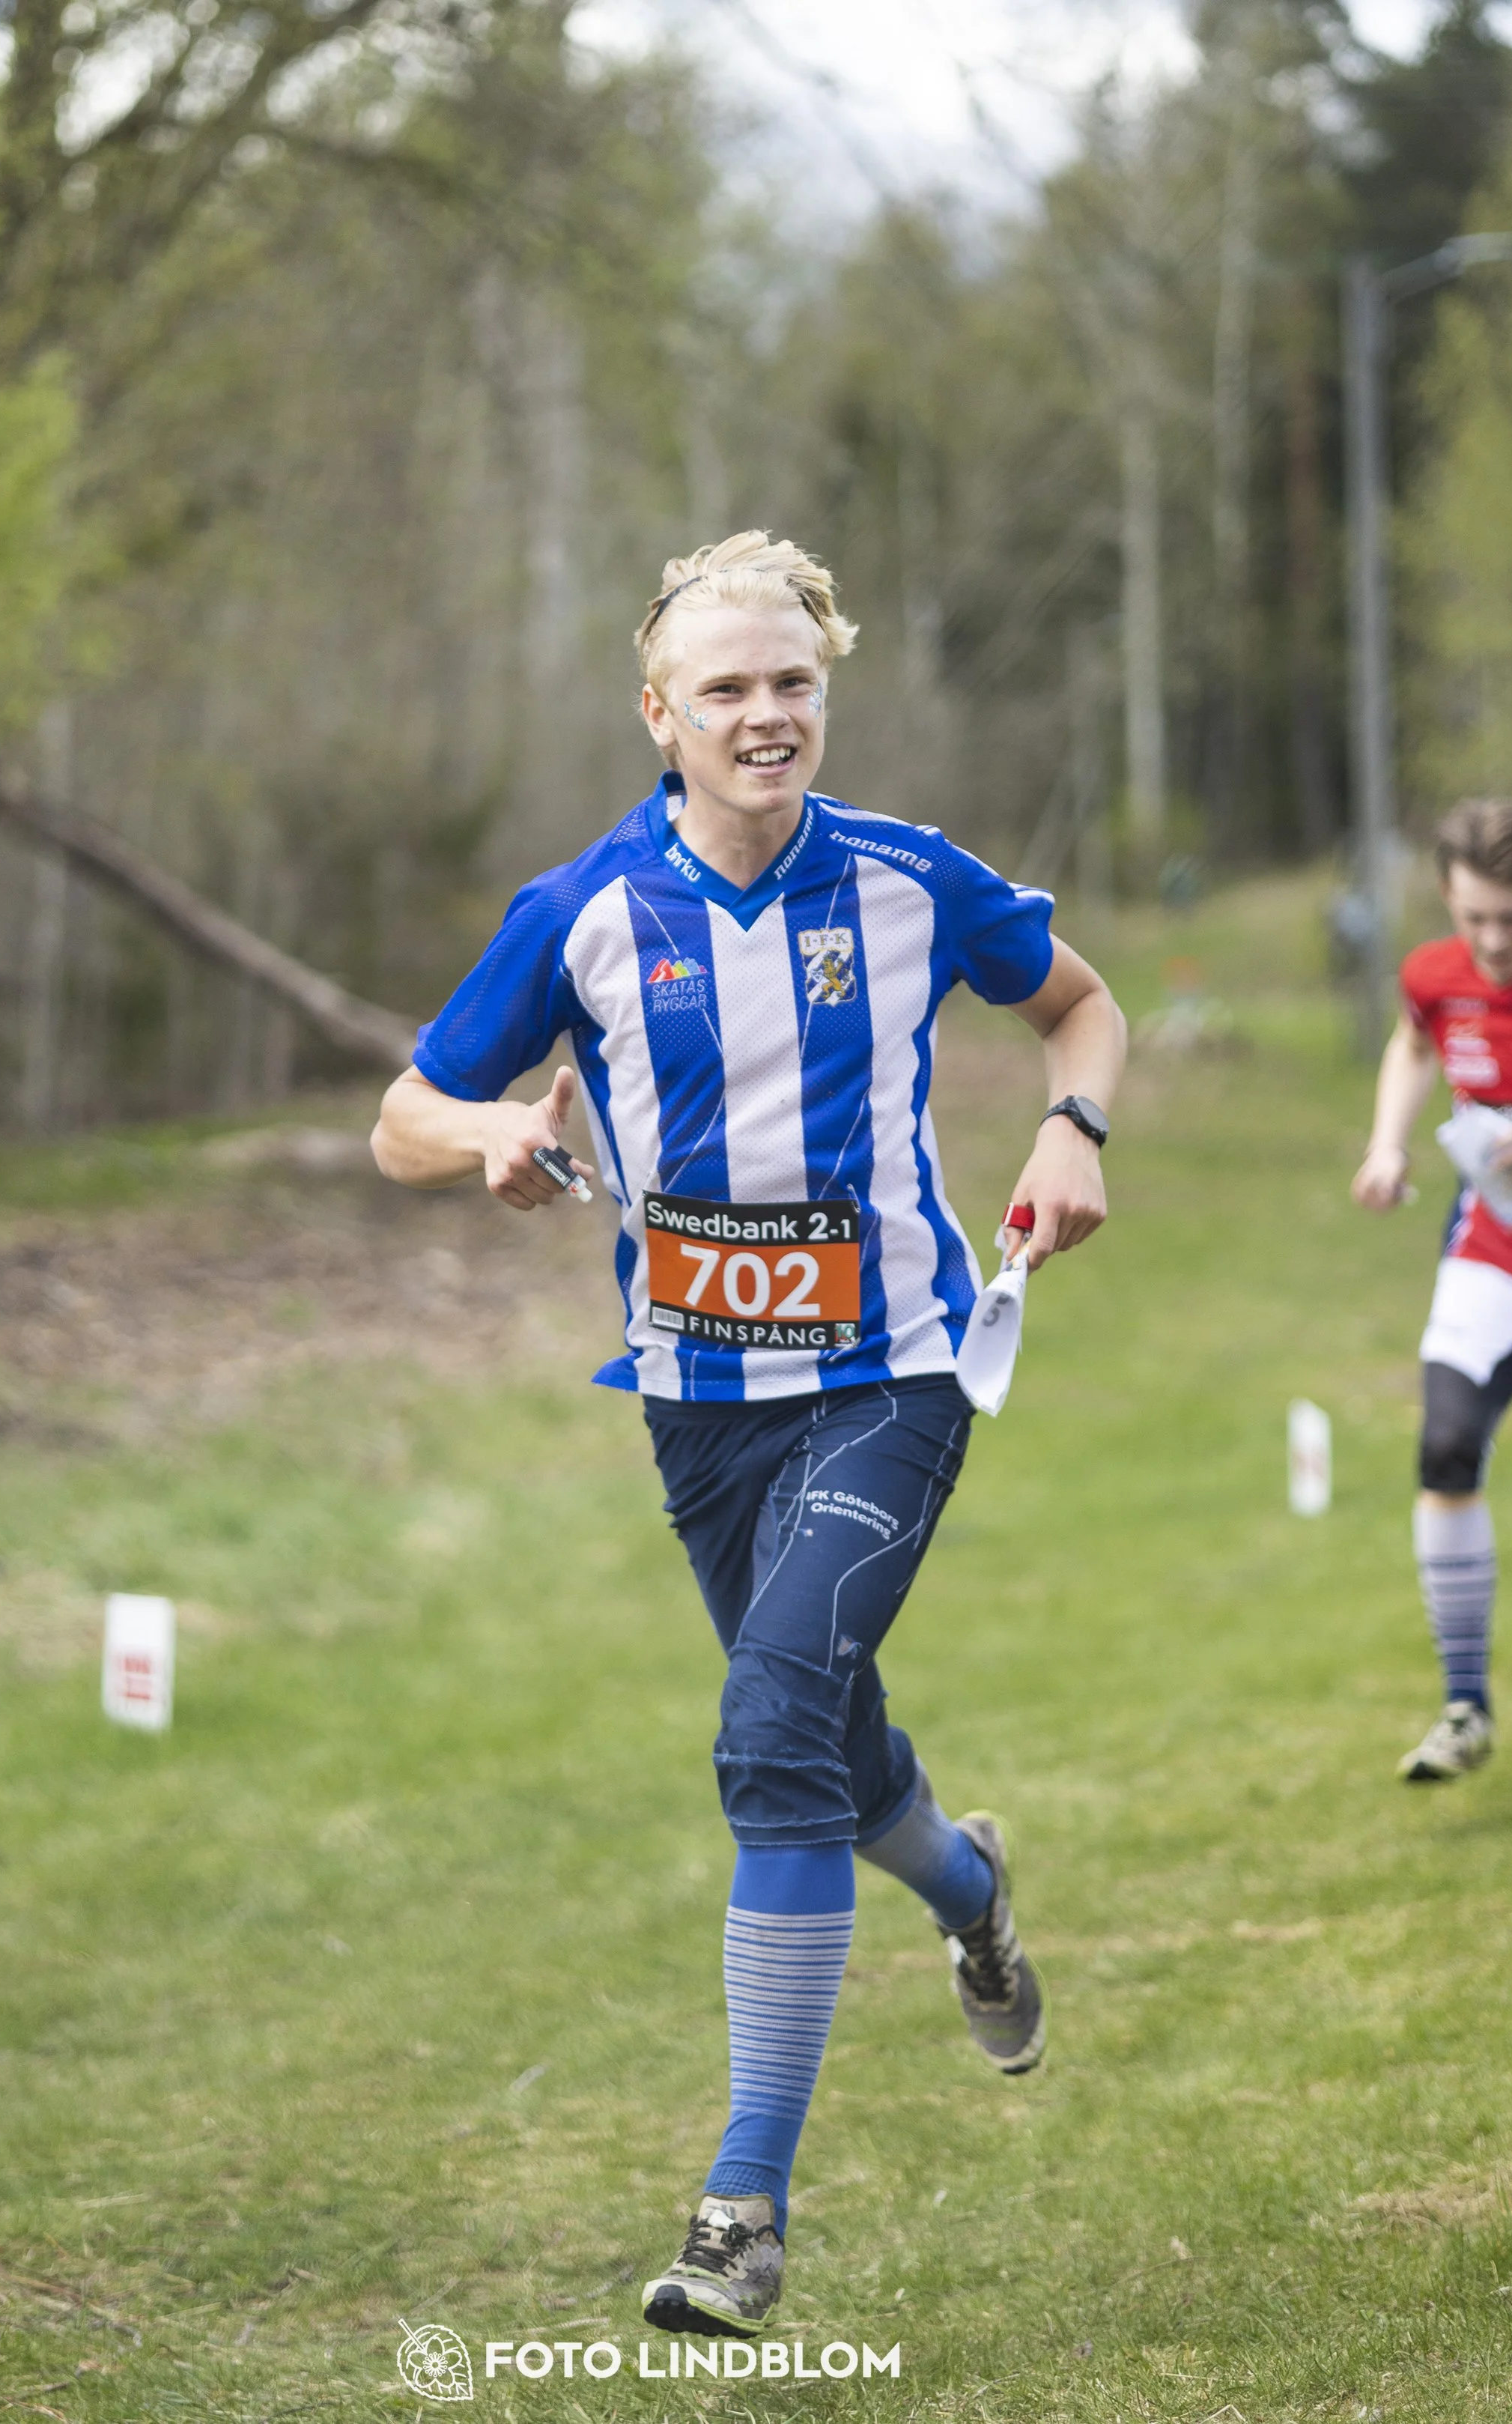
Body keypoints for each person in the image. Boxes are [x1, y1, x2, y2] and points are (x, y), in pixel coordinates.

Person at [371, 532, 1125, 2339]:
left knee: (771, 1723)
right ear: (660, 714)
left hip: (894, 1371)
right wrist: (478, 1138)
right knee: (832, 1754)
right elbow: (404, 1104)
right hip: (697, 1412)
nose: (763, 714)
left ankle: (741, 2209)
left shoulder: (907, 881)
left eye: (789, 682)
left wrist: (1074, 1127)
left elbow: (1078, 1003)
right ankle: (969, 1885)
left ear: (822, 693)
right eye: (724, 688)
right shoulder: (582, 915)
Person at [1352, 799, 1512, 1783]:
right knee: (1445, 1446)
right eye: (1472, 917)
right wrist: (1387, 1144)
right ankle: (1465, 1706)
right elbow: (1413, 1043)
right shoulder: (1432, 976)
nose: (1491, 942)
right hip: (1492, 1255)